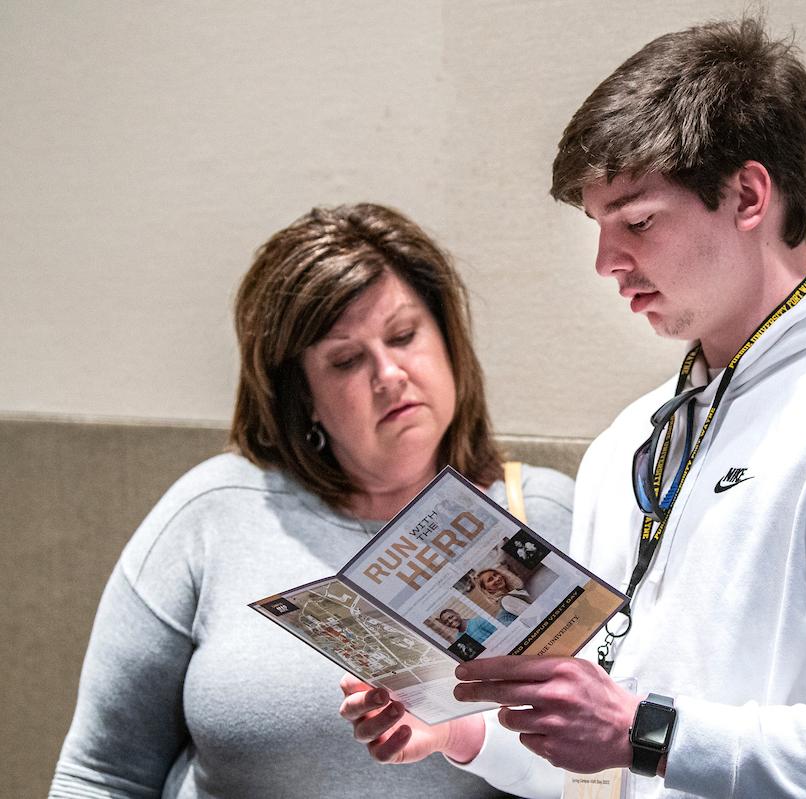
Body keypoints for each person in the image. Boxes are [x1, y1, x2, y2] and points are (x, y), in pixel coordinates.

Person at [340, 17, 806, 799]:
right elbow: (607, 751)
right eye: (598, 228)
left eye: (636, 221)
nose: (607, 263)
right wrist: (459, 730)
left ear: (748, 195)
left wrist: (647, 732)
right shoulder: (631, 440)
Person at [49, 203, 574, 798]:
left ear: (448, 341)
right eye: (346, 360)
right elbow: (100, 775)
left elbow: (603, 764)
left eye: (404, 336)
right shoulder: (213, 512)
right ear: (303, 398)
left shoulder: (543, 516)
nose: (390, 373)